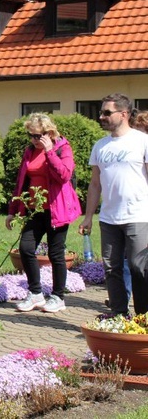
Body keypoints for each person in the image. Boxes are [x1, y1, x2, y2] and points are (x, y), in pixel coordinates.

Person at [5, 113, 82, 313]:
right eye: (30, 135)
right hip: (34, 208)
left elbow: (64, 175)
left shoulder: (63, 148)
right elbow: (21, 182)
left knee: (56, 253)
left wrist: (49, 152)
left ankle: (58, 297)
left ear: (49, 133)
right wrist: (13, 210)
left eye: (37, 136)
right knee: (26, 248)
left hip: (57, 209)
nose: (33, 140)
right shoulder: (29, 151)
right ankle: (36, 293)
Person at [79, 94, 148, 316]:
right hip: (109, 218)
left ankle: (143, 317)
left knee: (140, 267)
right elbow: (95, 184)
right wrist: (89, 216)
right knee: (112, 268)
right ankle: (119, 315)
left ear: (124, 114)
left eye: (107, 113)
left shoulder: (142, 141)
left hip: (139, 215)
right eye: (101, 112)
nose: (101, 117)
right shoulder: (100, 146)